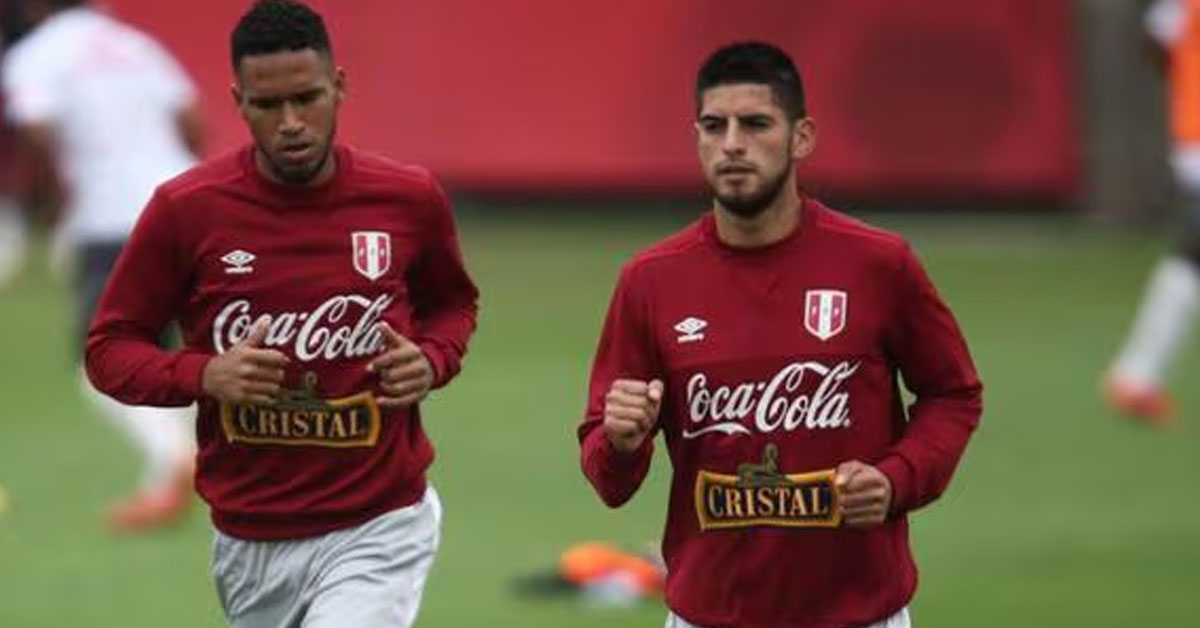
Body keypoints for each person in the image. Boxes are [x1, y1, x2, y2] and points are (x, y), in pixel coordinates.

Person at [84, 0, 479, 625]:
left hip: (380, 524)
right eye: (268, 106)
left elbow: (453, 304)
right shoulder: (187, 210)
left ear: (339, 86)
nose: (292, 122)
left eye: (308, 97)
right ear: (239, 101)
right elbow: (109, 349)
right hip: (250, 539)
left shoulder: (407, 199)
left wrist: (432, 361)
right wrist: (205, 376)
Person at [577, 42, 983, 628]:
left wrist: (896, 480)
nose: (733, 143)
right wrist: (620, 439)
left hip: (860, 615)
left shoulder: (879, 264)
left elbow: (953, 394)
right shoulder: (650, 282)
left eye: (756, 124)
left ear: (803, 138)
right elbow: (608, 478)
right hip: (710, 616)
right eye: (714, 126)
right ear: (696, 140)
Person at [1, 0, 203, 531]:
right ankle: (164, 483)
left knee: (103, 362)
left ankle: (180, 460)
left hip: (112, 215)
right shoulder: (134, 44)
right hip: (186, 203)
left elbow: (38, 132)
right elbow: (190, 117)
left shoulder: (36, 55)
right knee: (164, 350)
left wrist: (47, 205)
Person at [1103, 0, 1200, 424]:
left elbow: (1156, 39)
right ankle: (1136, 374)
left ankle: (1137, 374)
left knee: (1193, 254)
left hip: (1191, 138)